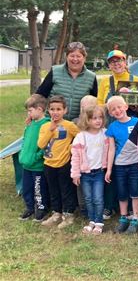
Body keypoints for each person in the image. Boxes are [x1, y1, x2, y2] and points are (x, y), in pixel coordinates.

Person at [37, 95, 80, 228]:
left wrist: (71, 147)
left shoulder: (69, 125)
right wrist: (50, 130)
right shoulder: (45, 126)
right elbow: (41, 144)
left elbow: (81, 137)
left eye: (59, 109)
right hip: (49, 164)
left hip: (64, 163)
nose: (55, 112)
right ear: (48, 111)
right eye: (52, 109)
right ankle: (56, 213)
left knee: (65, 189)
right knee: (53, 189)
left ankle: (68, 215)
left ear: (65, 110)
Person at [104, 95, 138, 234]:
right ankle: (123, 217)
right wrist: (109, 169)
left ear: (126, 106)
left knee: (135, 191)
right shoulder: (112, 127)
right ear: (110, 113)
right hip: (119, 165)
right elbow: (111, 149)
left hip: (136, 164)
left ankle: (136, 218)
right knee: (122, 192)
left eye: (119, 107)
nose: (117, 110)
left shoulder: (137, 122)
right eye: (113, 109)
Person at [71, 105, 109, 235]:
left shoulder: (105, 133)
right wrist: (75, 174)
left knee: (98, 198)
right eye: (94, 118)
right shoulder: (81, 136)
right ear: (87, 120)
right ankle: (91, 220)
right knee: (88, 198)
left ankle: (99, 222)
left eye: (100, 118)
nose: (98, 121)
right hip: (85, 173)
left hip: (99, 172)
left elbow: (111, 150)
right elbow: (75, 157)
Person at [36, 42, 97, 121]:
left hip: (77, 124)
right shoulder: (55, 71)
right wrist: (33, 113)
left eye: (78, 56)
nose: (75, 59)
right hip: (52, 122)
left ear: (84, 58)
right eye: (72, 56)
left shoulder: (91, 77)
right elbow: (40, 95)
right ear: (67, 57)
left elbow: (95, 102)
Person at [18, 94, 50, 222]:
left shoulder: (46, 125)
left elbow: (46, 145)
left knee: (38, 189)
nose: (28, 113)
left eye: (30, 111)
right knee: (27, 188)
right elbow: (25, 141)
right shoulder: (30, 125)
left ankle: (41, 208)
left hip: (37, 166)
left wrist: (36, 157)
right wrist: (23, 155)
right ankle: (30, 207)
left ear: (40, 109)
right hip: (26, 165)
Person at [97, 49, 138, 121]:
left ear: (125, 62)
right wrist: (112, 104)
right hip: (111, 125)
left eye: (119, 60)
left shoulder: (137, 80)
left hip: (132, 126)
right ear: (109, 65)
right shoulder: (104, 81)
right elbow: (98, 106)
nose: (116, 63)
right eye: (112, 61)